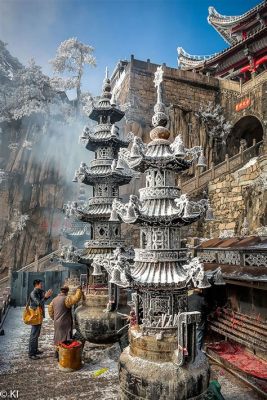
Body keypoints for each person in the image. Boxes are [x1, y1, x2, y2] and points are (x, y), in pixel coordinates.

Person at [48, 286, 83, 359]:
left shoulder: (54, 300)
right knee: (65, 339)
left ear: (60, 291)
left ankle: (57, 353)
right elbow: (76, 298)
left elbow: (50, 310)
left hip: (57, 323)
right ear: (67, 292)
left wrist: (54, 318)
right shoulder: (66, 299)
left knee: (58, 337)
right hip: (65, 323)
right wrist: (79, 290)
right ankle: (62, 357)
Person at [29, 279, 53, 360]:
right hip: (35, 316)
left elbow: (42, 301)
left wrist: (47, 296)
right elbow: (39, 303)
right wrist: (45, 297)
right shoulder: (33, 293)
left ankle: (35, 350)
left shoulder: (38, 292)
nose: (42, 285)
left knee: (37, 334)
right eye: (40, 284)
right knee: (33, 335)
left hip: (39, 315)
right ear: (37, 284)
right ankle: (31, 353)